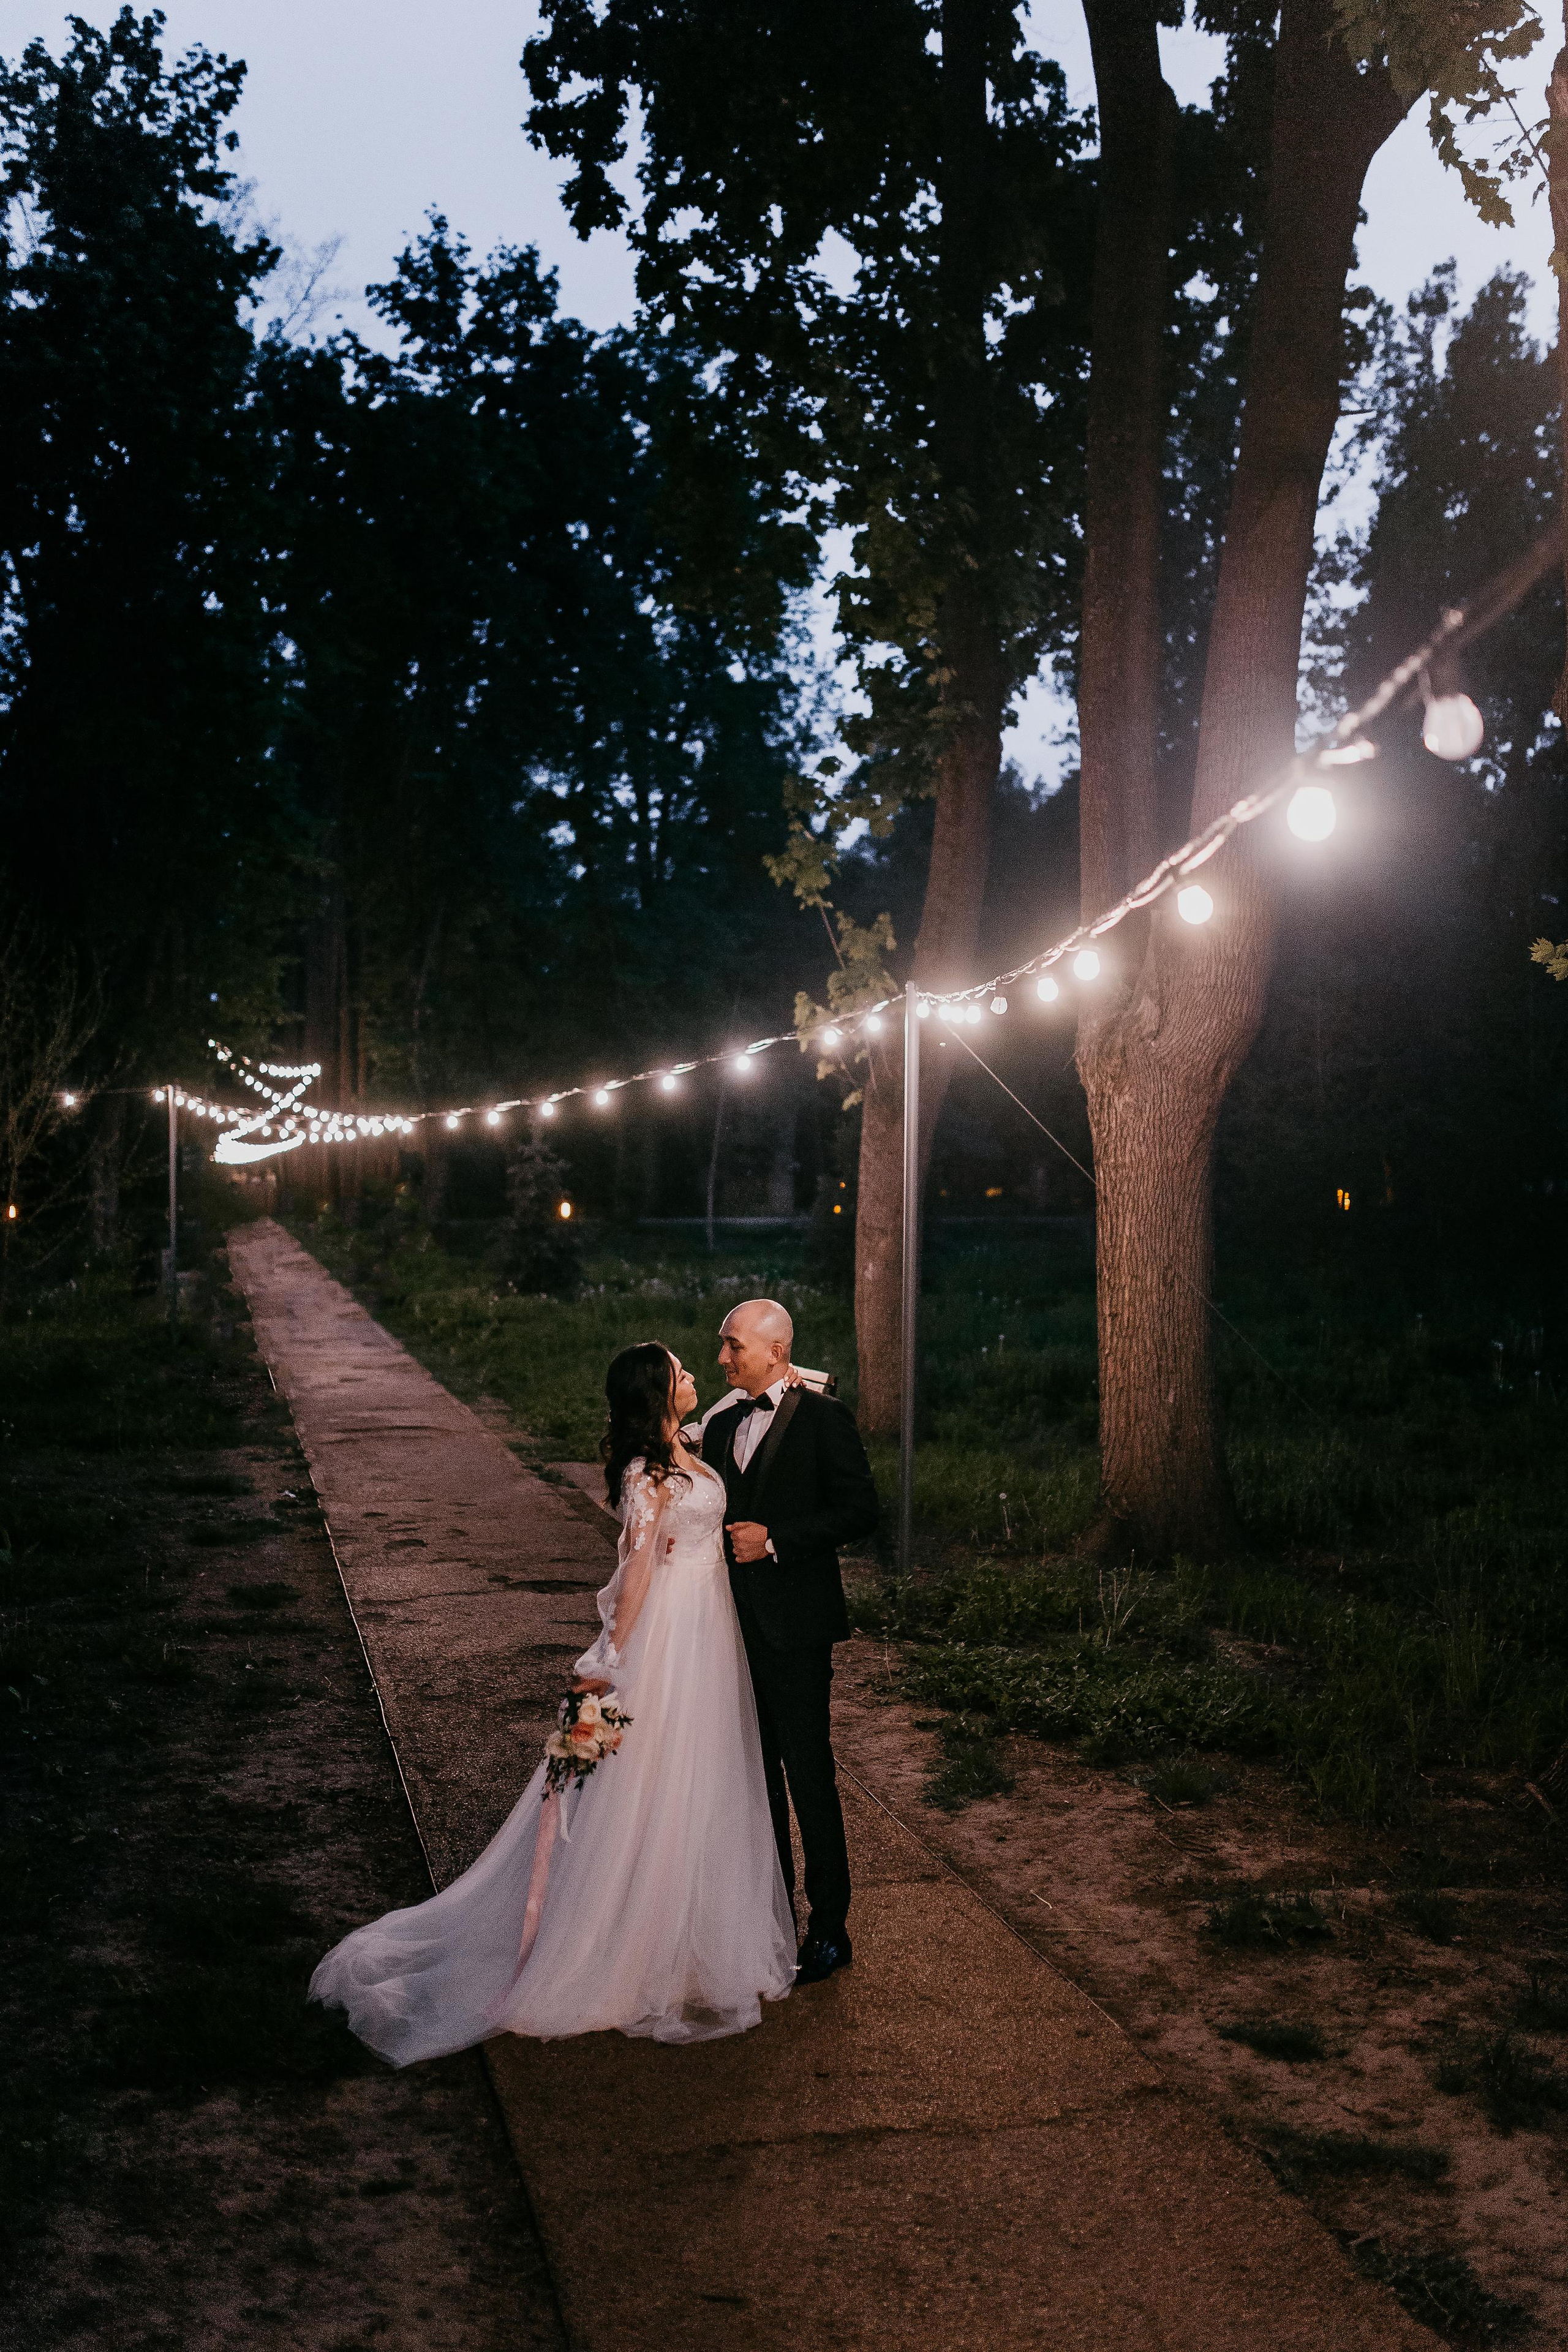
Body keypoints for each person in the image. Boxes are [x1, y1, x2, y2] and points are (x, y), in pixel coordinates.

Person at [309, 1343, 796, 2058]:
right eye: (681, 1371)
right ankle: (618, 1944)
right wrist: (613, 1658)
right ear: (657, 1391)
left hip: (708, 1633)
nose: (694, 1376)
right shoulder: (645, 1472)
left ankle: (690, 1936)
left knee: (701, 1775)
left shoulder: (685, 1448)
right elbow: (633, 1573)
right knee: (640, 1779)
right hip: (667, 1640)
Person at [696, 1298, 879, 1985]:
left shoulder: (825, 1419)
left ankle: (830, 1928)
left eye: (733, 1346)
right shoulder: (719, 1424)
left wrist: (774, 1540)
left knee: (809, 1778)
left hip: (797, 1630)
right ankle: (770, 1920)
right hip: (726, 1632)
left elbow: (860, 1510)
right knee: (752, 1781)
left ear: (774, 1352)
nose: (722, 1357)